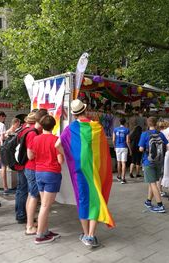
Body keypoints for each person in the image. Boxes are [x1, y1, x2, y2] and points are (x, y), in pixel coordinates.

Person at [58, 99, 115, 248]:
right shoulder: (96, 127)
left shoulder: (70, 128)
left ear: (74, 114)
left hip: (78, 169)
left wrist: (67, 155)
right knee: (96, 197)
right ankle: (91, 235)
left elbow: (57, 145)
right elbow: (103, 150)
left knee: (82, 199)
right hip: (93, 168)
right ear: (85, 110)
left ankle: (85, 234)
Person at [29, 115, 64, 244]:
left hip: (39, 172)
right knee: (45, 206)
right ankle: (40, 235)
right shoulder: (56, 140)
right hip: (51, 174)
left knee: (44, 204)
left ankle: (45, 231)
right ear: (54, 126)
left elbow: (31, 155)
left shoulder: (36, 139)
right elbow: (60, 160)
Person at [24, 109, 48, 235]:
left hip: (30, 169)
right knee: (34, 197)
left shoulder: (33, 131)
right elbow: (30, 155)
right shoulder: (33, 133)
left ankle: (30, 223)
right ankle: (29, 226)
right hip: (32, 168)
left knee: (31, 195)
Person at [139, 117, 167, 213]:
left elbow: (141, 149)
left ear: (147, 124)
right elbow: (166, 146)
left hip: (148, 161)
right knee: (153, 181)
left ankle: (160, 205)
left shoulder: (144, 134)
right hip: (159, 161)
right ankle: (148, 201)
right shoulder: (161, 134)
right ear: (156, 124)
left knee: (152, 183)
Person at [14, 113, 36, 224]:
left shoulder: (22, 128)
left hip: (19, 163)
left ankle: (20, 213)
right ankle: (22, 215)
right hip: (25, 163)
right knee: (24, 190)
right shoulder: (32, 132)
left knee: (20, 189)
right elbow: (30, 153)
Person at [0, 111, 9, 194]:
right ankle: (5, 186)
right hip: (1, 146)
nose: (4, 119)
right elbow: (4, 136)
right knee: (4, 166)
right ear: (0, 116)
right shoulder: (2, 125)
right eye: (3, 117)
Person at [113, 118, 131, 184]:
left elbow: (113, 140)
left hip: (117, 147)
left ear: (119, 122)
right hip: (124, 147)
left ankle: (118, 176)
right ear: (125, 123)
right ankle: (123, 178)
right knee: (124, 163)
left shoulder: (115, 129)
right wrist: (130, 149)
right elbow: (127, 141)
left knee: (118, 162)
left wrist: (114, 147)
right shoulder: (127, 130)